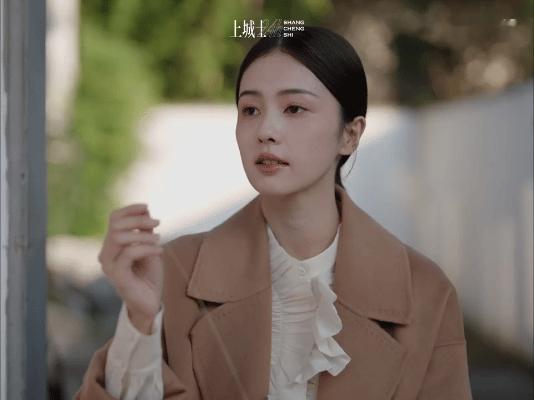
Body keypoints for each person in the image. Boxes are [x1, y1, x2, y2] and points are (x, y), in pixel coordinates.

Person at [74, 25, 473, 399]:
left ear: (350, 135)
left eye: (294, 108)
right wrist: (140, 320)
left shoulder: (425, 292)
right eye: (250, 110)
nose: (266, 130)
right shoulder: (176, 271)